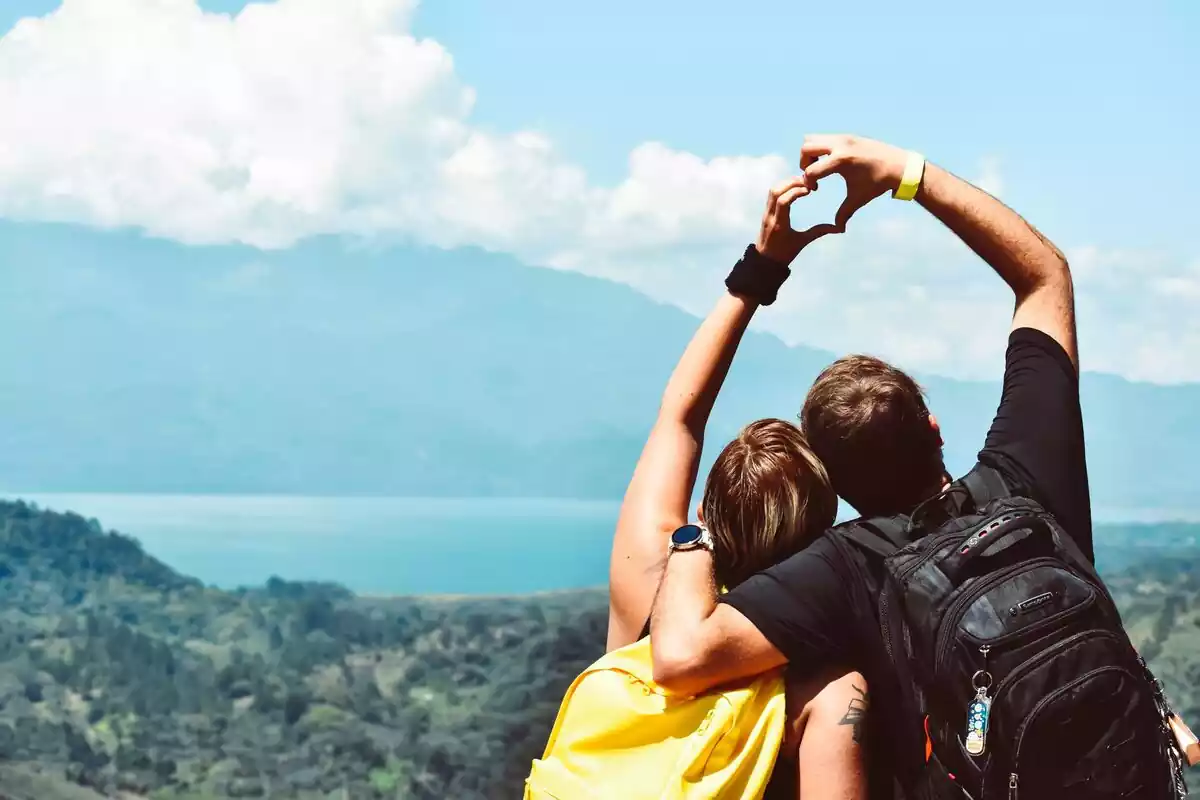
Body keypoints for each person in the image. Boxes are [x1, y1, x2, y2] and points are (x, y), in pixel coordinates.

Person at [646, 134, 1140, 797]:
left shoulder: (845, 569)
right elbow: (1044, 274)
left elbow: (678, 657)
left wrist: (696, 535)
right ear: (932, 426)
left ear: (836, 482)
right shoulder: (1028, 479)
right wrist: (906, 174)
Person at [605, 172, 869, 798]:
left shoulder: (649, 580)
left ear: (706, 510)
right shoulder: (826, 682)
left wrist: (763, 268)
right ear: (821, 534)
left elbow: (681, 413)